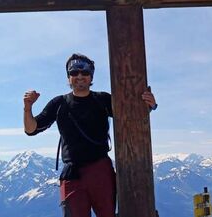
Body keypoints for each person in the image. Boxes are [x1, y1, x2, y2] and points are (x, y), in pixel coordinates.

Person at [23, 53, 157, 217]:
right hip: (74, 173)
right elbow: (31, 129)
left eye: (84, 72)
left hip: (100, 170)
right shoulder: (59, 104)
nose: (79, 76)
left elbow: (131, 116)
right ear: (69, 77)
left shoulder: (103, 100)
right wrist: (28, 107)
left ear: (91, 76)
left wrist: (149, 106)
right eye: (74, 72)